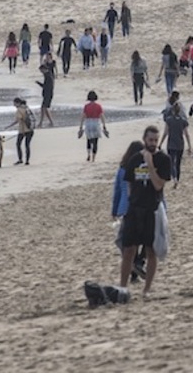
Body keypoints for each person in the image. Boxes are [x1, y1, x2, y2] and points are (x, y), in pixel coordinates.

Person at [119, 126, 172, 297]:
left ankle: (147, 289)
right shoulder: (134, 159)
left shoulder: (163, 159)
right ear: (144, 139)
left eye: (156, 140)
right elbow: (128, 182)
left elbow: (158, 185)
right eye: (150, 140)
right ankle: (123, 287)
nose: (153, 144)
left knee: (151, 251)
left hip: (152, 210)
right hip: (135, 209)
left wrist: (150, 164)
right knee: (129, 250)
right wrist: (131, 201)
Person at [112, 141, 147, 282]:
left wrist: (114, 210)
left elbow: (117, 191)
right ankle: (138, 263)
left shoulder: (122, 169)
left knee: (126, 241)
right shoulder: (142, 169)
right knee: (142, 239)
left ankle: (133, 267)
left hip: (125, 209)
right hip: (141, 207)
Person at [160, 102, 191, 188]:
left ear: (172, 111)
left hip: (171, 144)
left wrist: (160, 143)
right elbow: (186, 134)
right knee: (178, 163)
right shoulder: (183, 121)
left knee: (171, 162)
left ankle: (174, 178)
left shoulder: (169, 120)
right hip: (180, 144)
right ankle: (177, 178)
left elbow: (165, 133)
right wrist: (189, 146)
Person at [80, 90, 109, 162]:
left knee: (89, 140)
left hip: (88, 123)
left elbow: (83, 116)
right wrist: (104, 126)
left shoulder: (86, 106)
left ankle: (88, 154)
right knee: (96, 141)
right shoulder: (98, 106)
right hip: (96, 123)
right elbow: (102, 116)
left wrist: (80, 126)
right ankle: (93, 158)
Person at [5, 98, 34, 165]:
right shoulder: (26, 108)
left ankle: (20, 159)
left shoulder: (19, 110)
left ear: (18, 103)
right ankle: (27, 161)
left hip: (23, 130)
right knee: (27, 145)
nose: (14, 105)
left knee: (18, 144)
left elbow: (19, 120)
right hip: (30, 129)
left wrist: (9, 126)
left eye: (14, 103)